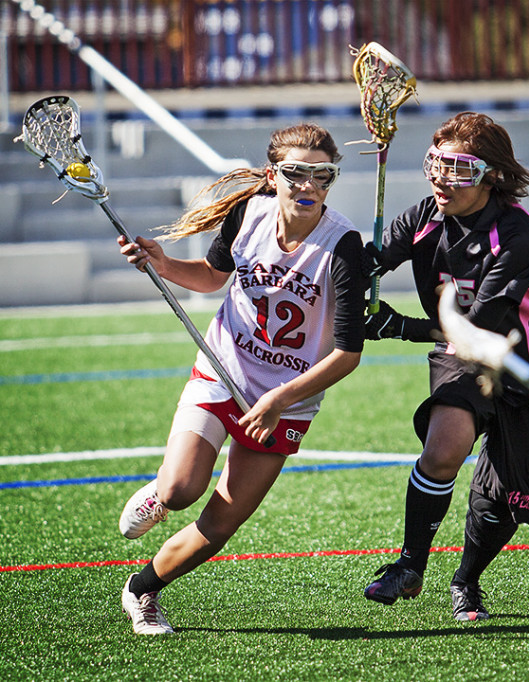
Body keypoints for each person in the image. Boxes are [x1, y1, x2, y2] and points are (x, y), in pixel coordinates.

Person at [115, 123, 366, 635]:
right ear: (274, 176)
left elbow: (347, 355)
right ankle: (162, 493)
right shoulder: (246, 214)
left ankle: (142, 590)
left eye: (322, 175)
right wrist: (162, 264)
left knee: (220, 526)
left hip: (287, 400)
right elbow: (212, 277)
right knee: (184, 489)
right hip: (223, 369)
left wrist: (279, 399)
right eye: (296, 173)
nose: (308, 185)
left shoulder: (344, 247)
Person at [361, 112, 529, 621]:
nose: (440, 177)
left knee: (499, 501)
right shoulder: (421, 218)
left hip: (527, 361)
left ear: (490, 175)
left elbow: (478, 328)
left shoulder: (518, 236)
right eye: (436, 163)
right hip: (461, 358)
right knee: (445, 449)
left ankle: (467, 579)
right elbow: (371, 259)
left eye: (457, 168)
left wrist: (401, 328)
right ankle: (410, 564)